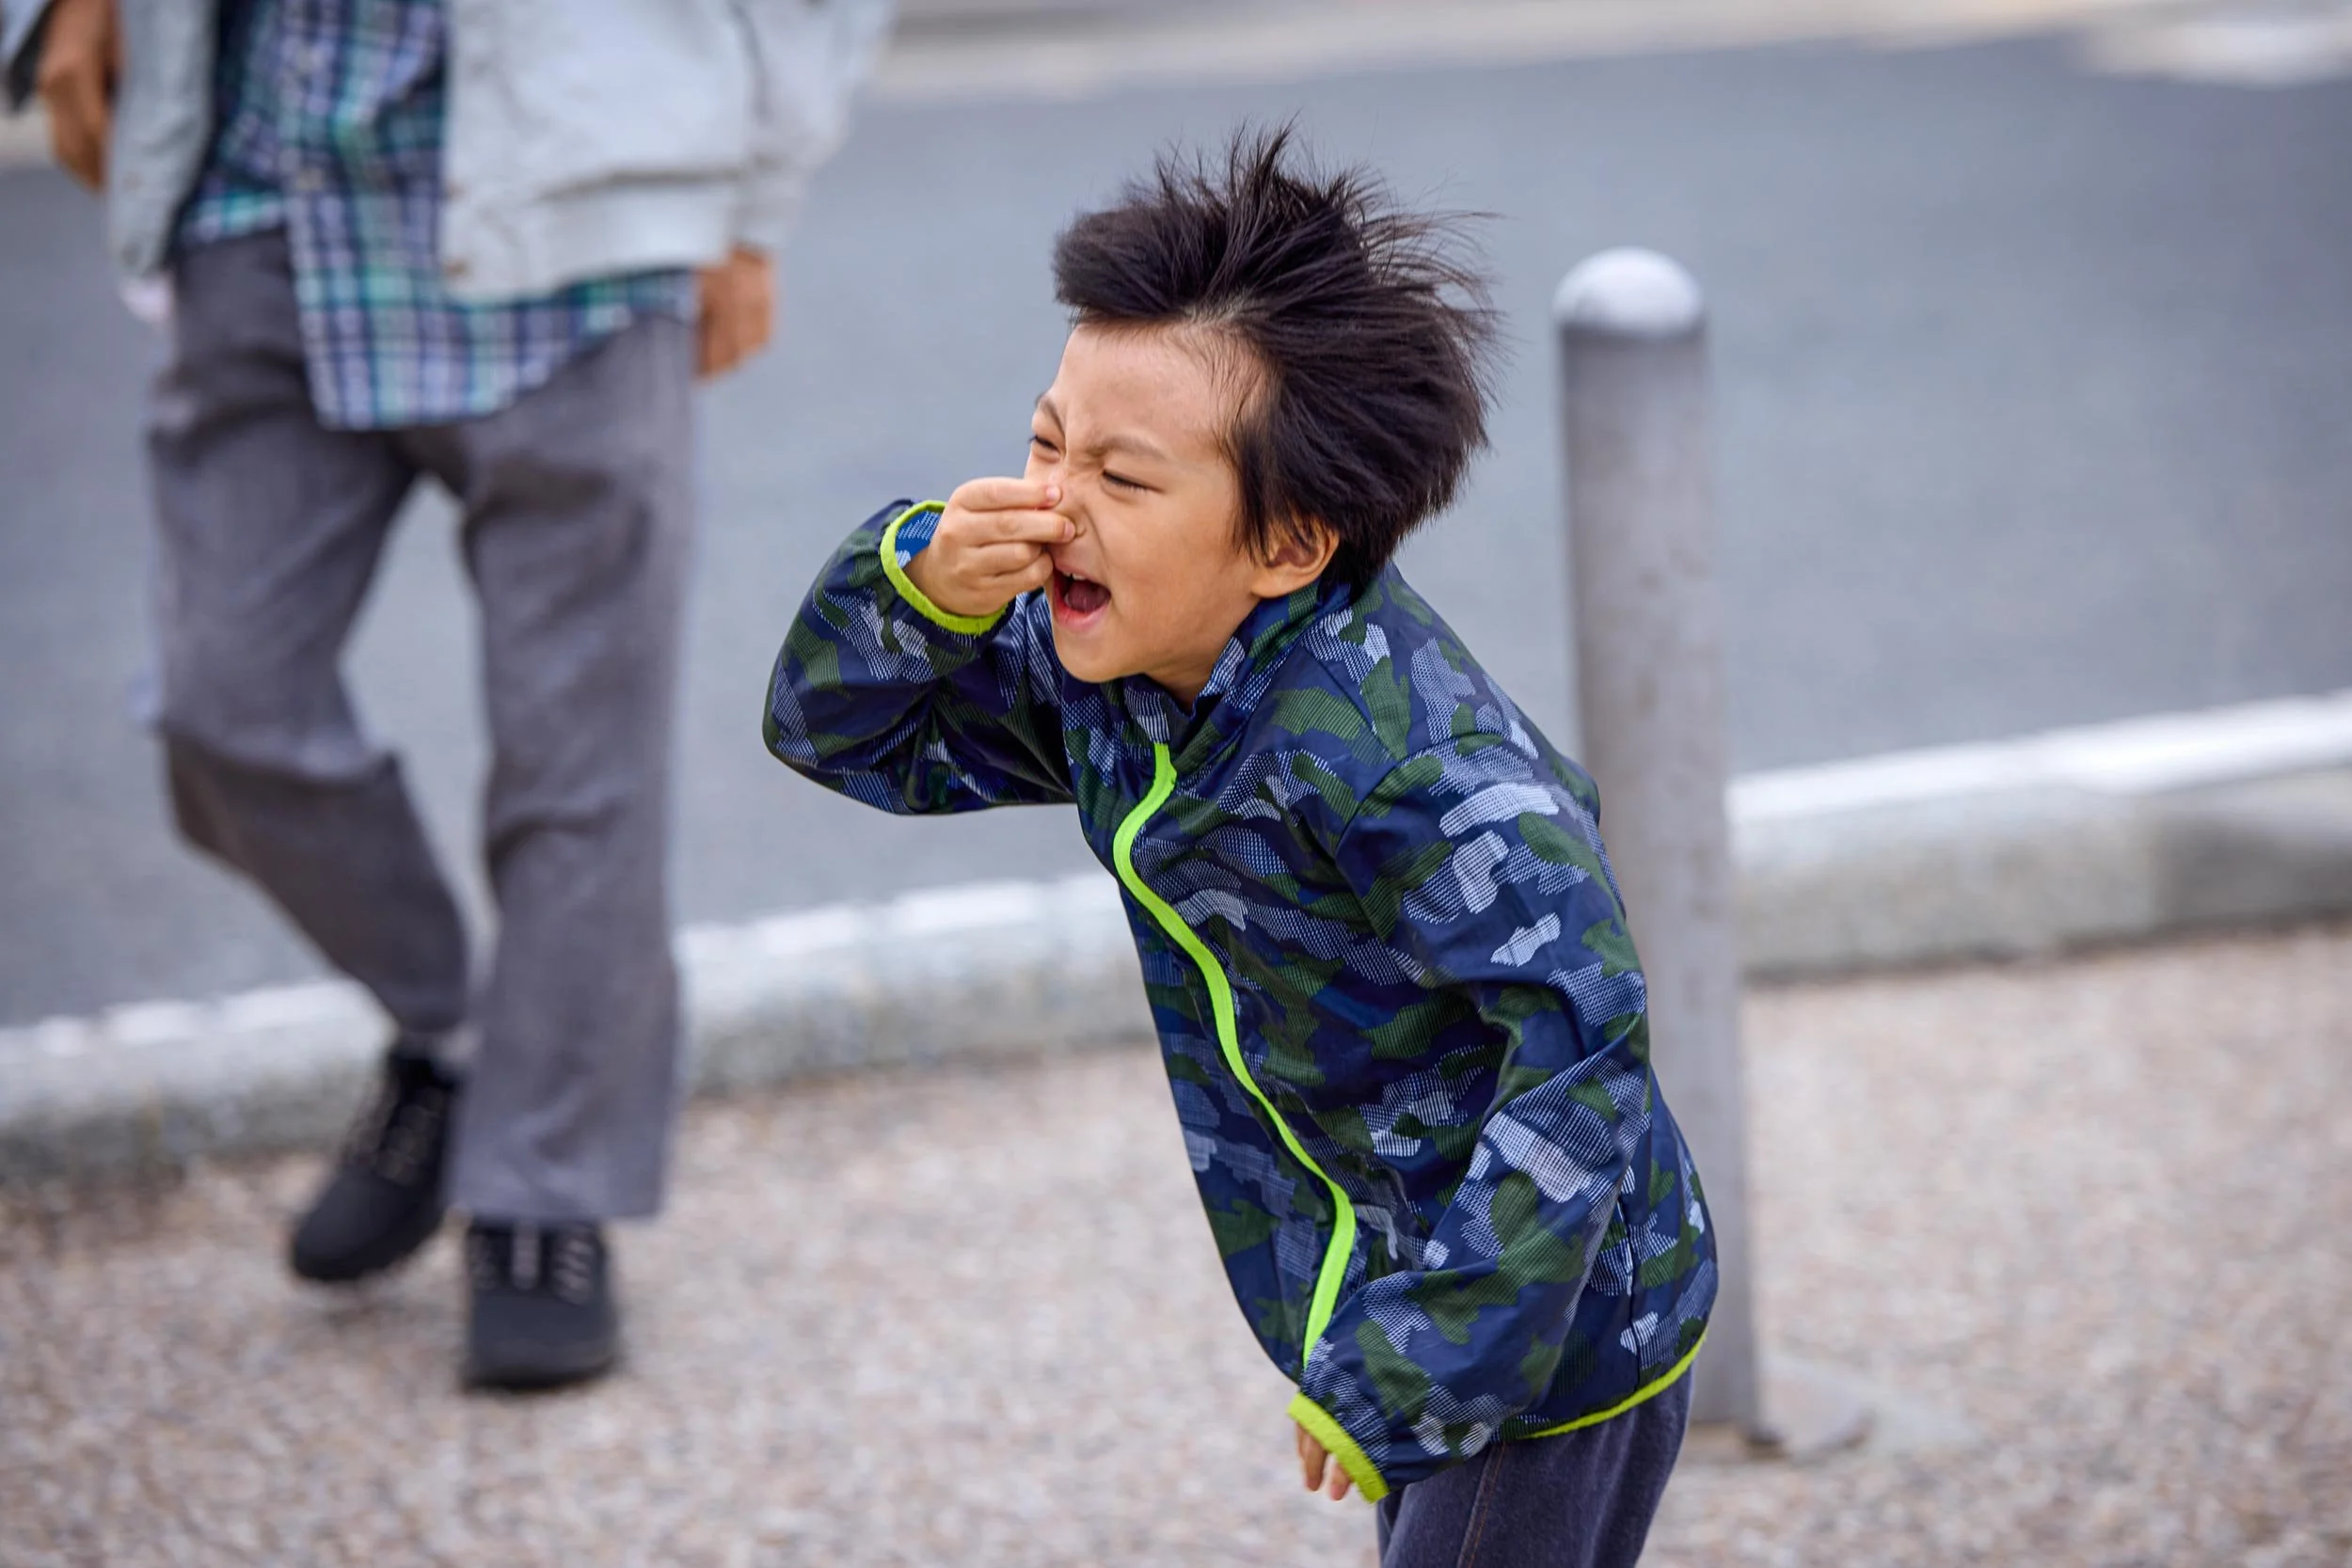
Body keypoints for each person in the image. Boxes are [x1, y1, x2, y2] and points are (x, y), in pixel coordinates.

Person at [761, 127, 1717, 1566]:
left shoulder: (1411, 763)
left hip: (1550, 1327)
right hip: (1397, 1276)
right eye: (1043, 442)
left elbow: (1583, 1049)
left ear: (1286, 546)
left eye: (1125, 480)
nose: (1055, 503)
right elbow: (848, 735)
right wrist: (917, 583)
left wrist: (1412, 1370)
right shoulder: (1122, 681)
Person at [4, 0, 890, 1389]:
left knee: (577, 763)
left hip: (582, 208)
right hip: (265, 187)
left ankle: (544, 1181)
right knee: (218, 701)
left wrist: (752, 198)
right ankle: (467, 1033)